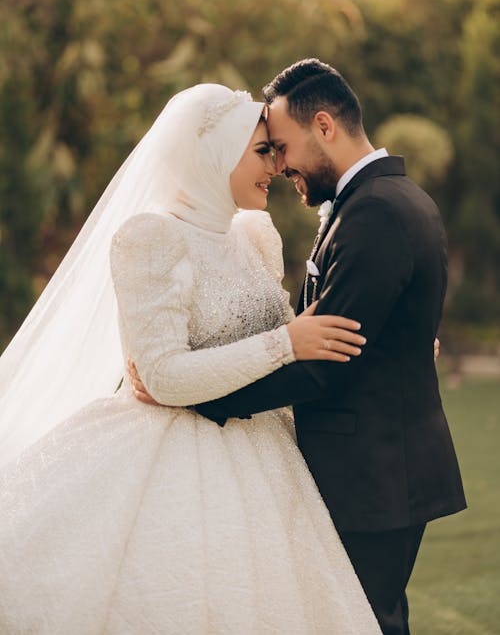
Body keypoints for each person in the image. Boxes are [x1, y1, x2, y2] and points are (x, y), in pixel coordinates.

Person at [0, 83, 382, 633]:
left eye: (274, 151)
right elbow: (163, 377)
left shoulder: (255, 236)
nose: (274, 166)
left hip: (269, 459)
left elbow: (311, 333)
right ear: (214, 155)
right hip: (167, 464)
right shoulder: (153, 239)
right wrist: (284, 344)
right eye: (261, 152)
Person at [147, 60, 466, 635]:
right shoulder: (385, 199)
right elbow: (352, 330)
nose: (279, 162)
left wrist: (197, 398)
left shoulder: (373, 212)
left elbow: (324, 366)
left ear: (324, 126)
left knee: (361, 621)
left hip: (374, 473)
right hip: (378, 465)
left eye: (283, 146)